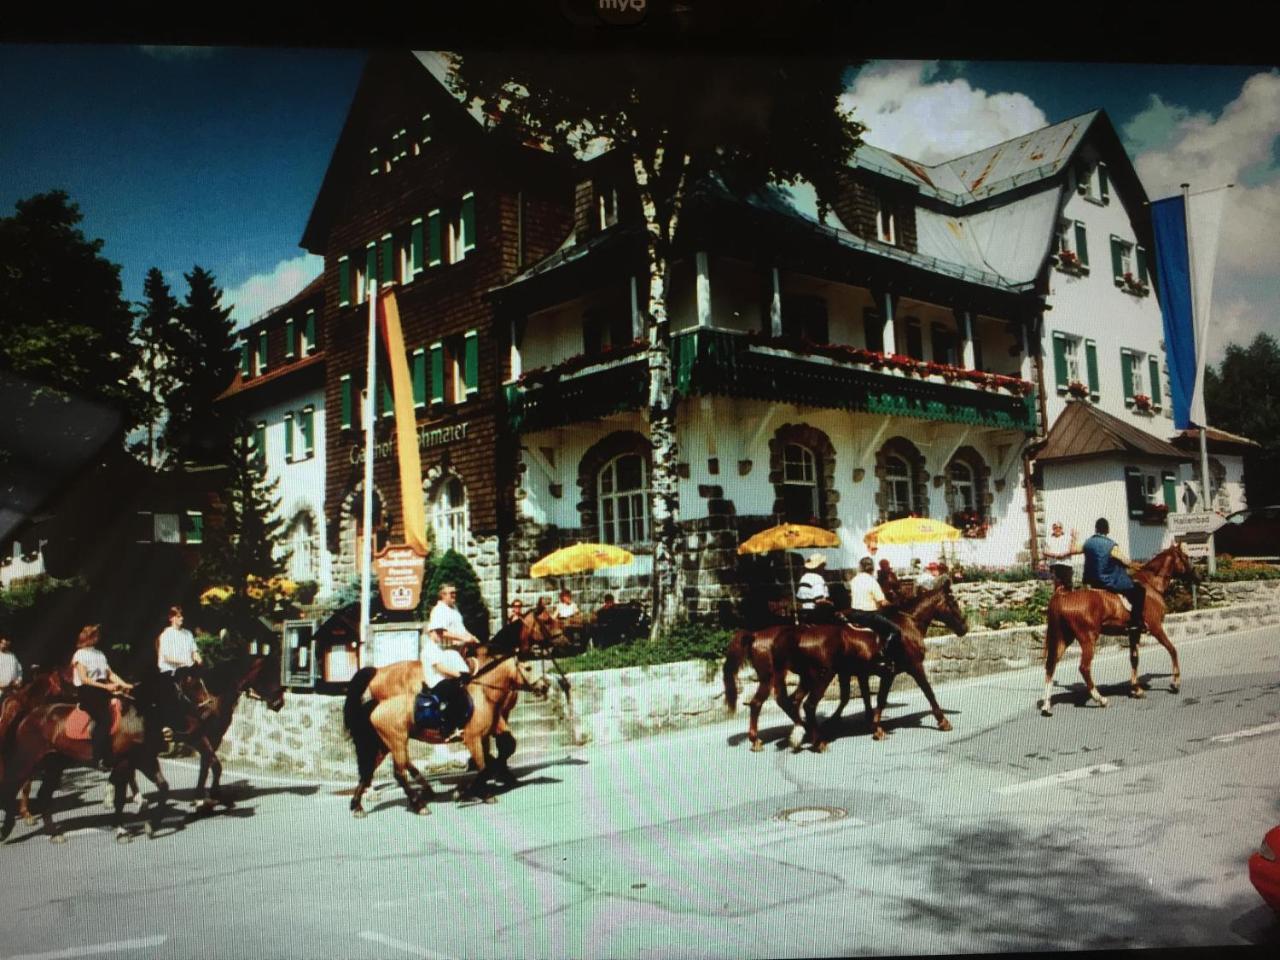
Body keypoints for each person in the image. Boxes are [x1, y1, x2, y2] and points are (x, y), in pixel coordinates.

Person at [71, 624, 132, 770]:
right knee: (104, 719)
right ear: (88, 637)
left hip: (101, 689)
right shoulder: (79, 654)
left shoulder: (100, 654)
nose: (98, 637)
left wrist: (125, 684)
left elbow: (110, 674)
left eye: (98, 635)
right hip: (87, 691)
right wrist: (107, 687)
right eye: (95, 635)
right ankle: (98, 758)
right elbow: (84, 679)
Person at [1081, 518, 1146, 640]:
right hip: (1108, 581)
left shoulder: (1087, 543)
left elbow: (1074, 550)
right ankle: (1135, 623)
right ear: (1108, 530)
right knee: (1139, 591)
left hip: (1092, 582)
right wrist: (1137, 566)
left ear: (1096, 529)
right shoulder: (1111, 545)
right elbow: (1124, 560)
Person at [844, 557, 903, 675]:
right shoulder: (872, 581)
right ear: (872, 567)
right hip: (869, 615)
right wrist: (893, 604)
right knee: (896, 630)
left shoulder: (854, 580)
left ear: (860, 567)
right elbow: (882, 602)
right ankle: (885, 657)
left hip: (854, 614)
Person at [426, 583, 479, 651]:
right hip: (444, 651)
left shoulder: (454, 609)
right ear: (443, 595)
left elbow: (461, 628)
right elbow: (440, 632)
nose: (454, 595)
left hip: (459, 649)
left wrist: (471, 637)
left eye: (454, 593)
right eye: (451, 593)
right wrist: (463, 638)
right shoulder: (439, 610)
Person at [156, 606, 202, 675]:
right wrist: (185, 662)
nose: (182, 618)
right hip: (170, 671)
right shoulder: (165, 635)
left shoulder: (188, 633)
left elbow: (194, 651)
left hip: (187, 670)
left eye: (182, 616)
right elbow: (167, 657)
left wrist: (198, 659)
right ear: (171, 618)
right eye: (178, 616)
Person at [796, 553, 835, 622]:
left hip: (805, 613)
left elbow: (799, 598)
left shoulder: (804, 578)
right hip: (816, 614)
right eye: (823, 565)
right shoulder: (817, 579)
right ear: (820, 567)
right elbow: (819, 600)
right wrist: (831, 603)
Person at [1043, 523, 1081, 591]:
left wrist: (1074, 538)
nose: (1057, 529)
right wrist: (1056, 555)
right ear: (1053, 529)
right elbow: (1045, 552)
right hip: (1054, 565)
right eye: (1055, 527)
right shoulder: (1048, 539)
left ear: (1062, 528)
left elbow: (1072, 549)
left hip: (1066, 565)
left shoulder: (1068, 537)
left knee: (1068, 586)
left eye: (1059, 527)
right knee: (1057, 587)